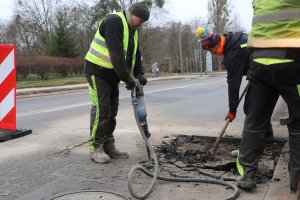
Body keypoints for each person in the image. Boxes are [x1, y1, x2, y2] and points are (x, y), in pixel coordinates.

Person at [235, 0, 300, 193]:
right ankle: (296, 181)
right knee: (298, 124)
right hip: (292, 62)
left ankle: (247, 176)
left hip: (259, 62)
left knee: (254, 121)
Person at [84, 1, 151, 164]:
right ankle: (96, 147)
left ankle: (108, 144)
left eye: (143, 22)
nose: (141, 24)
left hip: (112, 75)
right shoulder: (114, 22)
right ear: (132, 14)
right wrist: (128, 79)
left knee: (113, 110)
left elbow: (135, 54)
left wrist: (139, 74)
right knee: (102, 109)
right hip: (97, 71)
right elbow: (116, 55)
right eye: (140, 20)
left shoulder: (132, 29)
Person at [195, 27, 275, 138]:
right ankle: (267, 135)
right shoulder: (233, 38)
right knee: (259, 106)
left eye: (210, 50)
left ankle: (254, 142)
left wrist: (232, 110)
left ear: (217, 44)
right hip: (269, 68)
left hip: (267, 72)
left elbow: (233, 84)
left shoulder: (232, 54)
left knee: (251, 107)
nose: (212, 53)